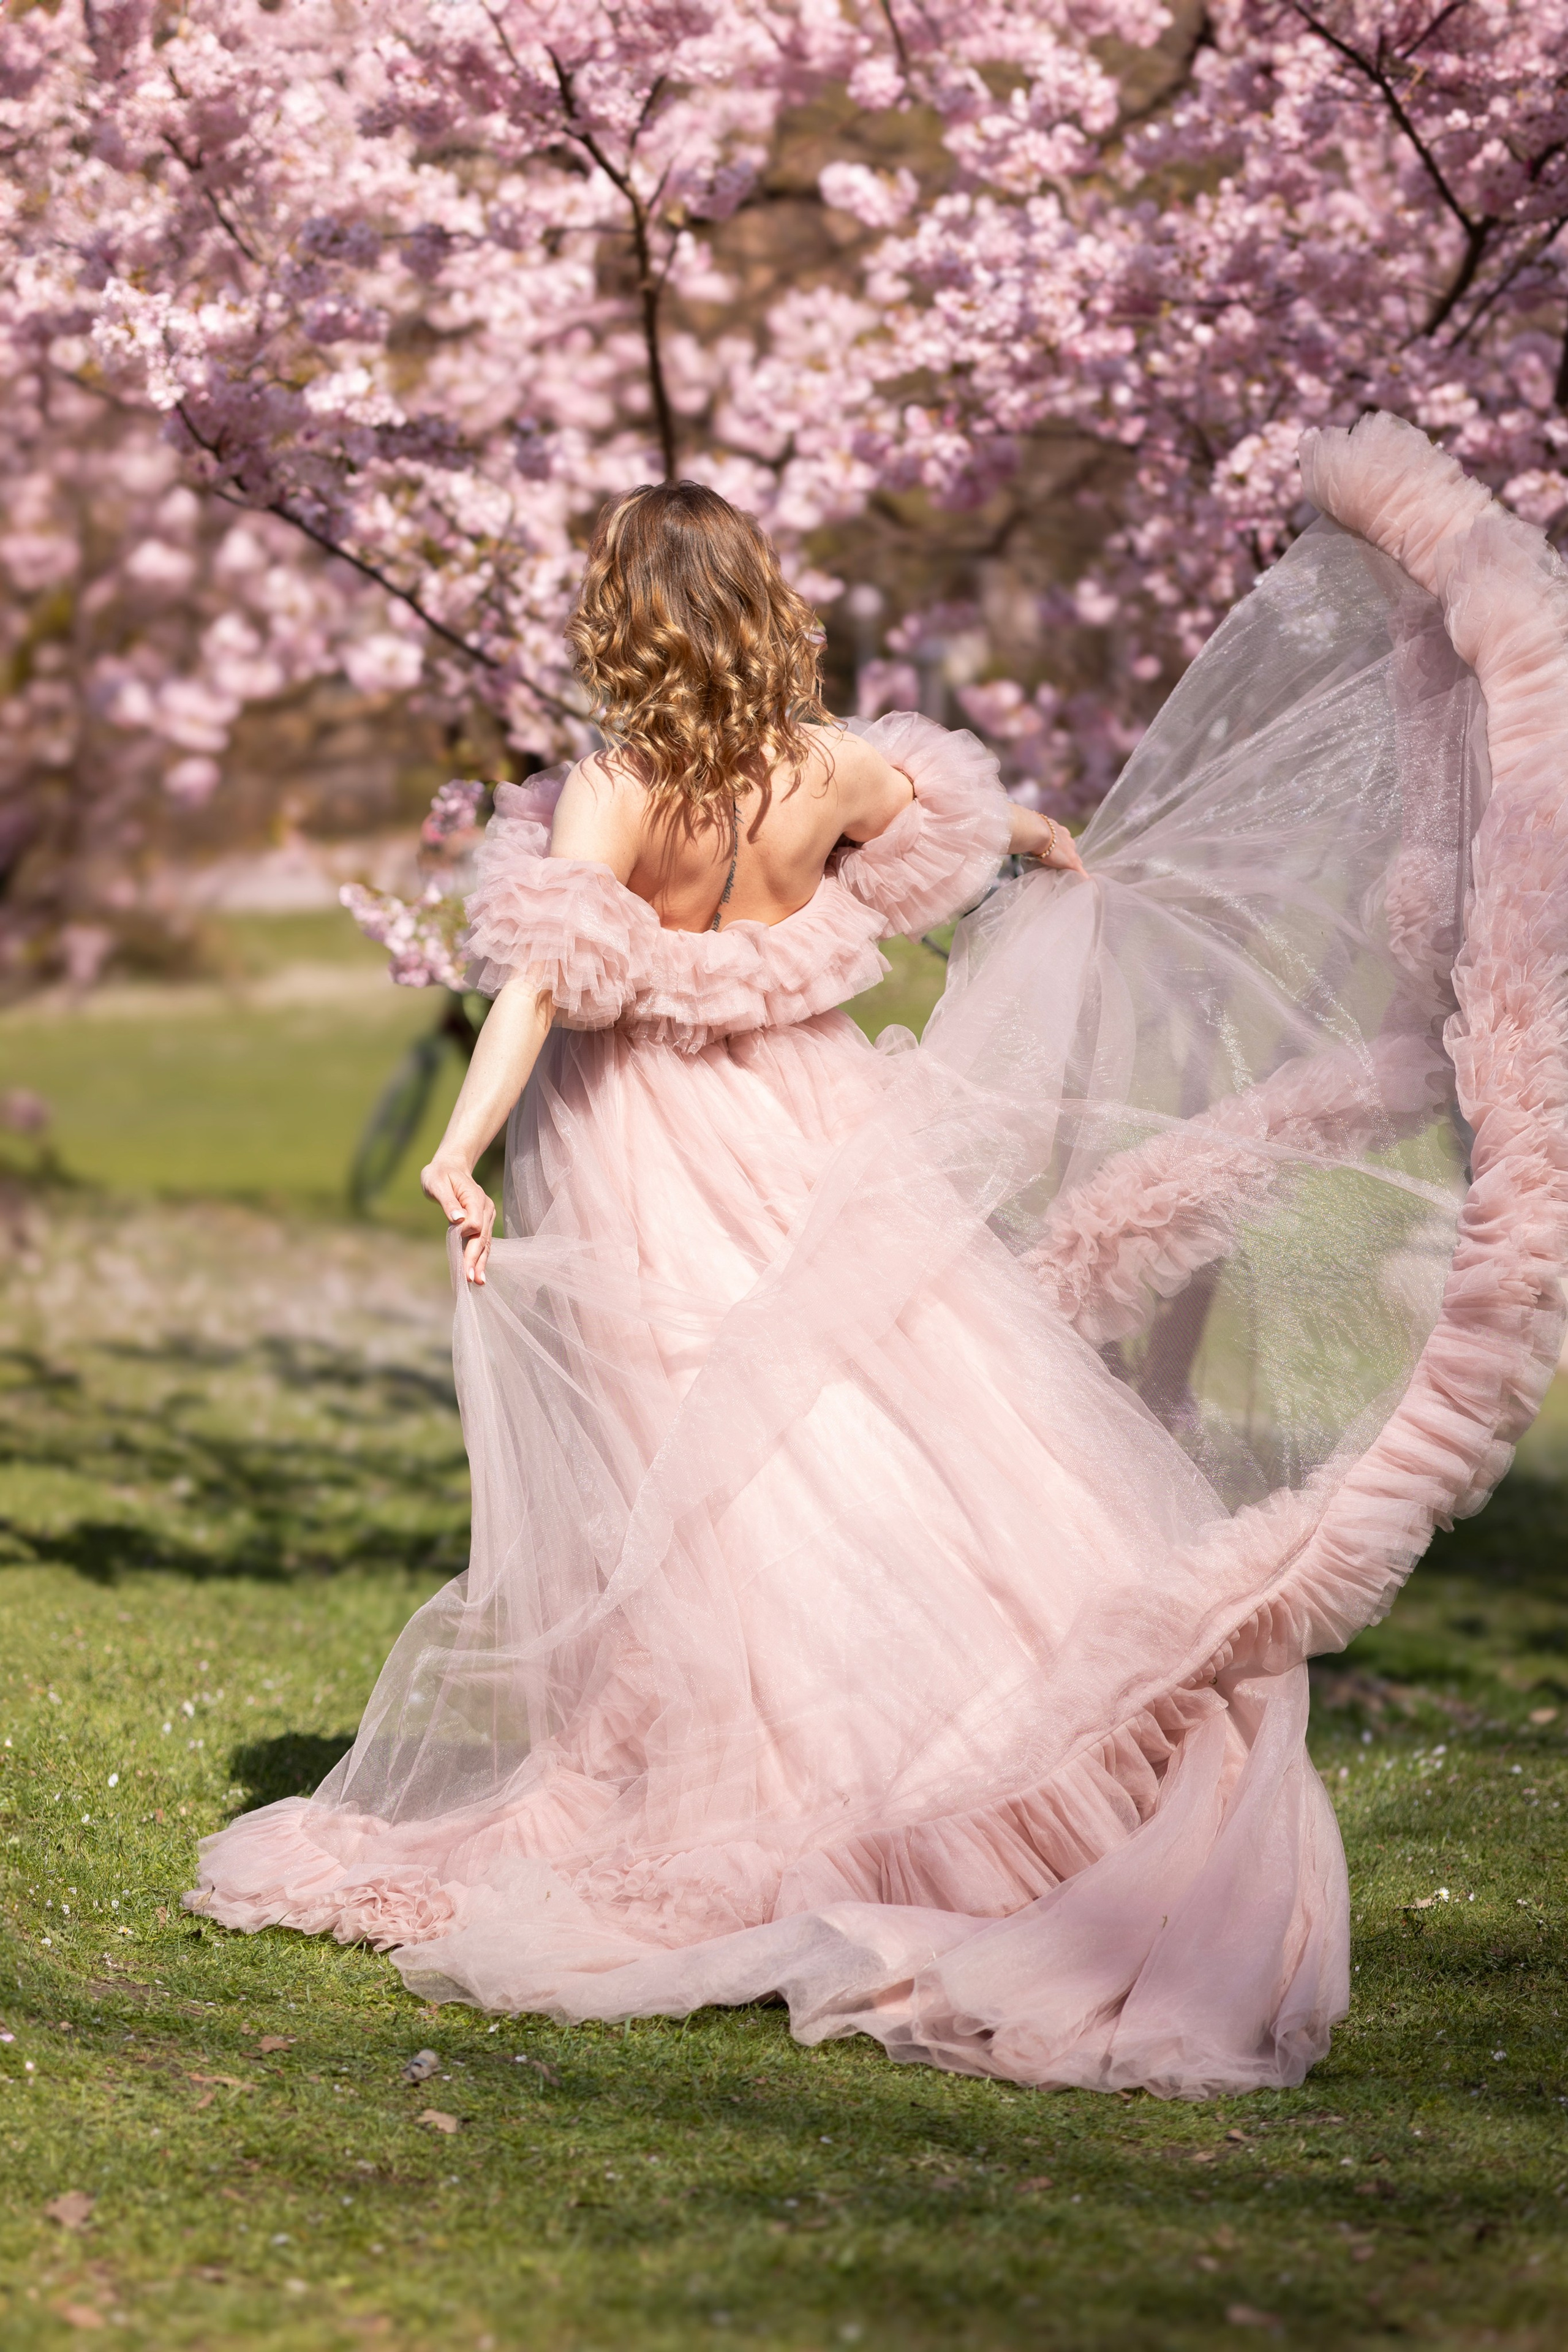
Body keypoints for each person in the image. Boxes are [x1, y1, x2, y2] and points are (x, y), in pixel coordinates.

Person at [190, 414, 1568, 2098]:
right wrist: (1058, 845)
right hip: (822, 1117)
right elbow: (965, 830)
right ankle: (936, 1738)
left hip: (648, 1148)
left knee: (689, 1467)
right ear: (762, 605)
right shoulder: (829, 768)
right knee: (876, 1416)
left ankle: (757, 1781)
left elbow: (543, 982)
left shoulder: (622, 790)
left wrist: (460, 1147)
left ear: (626, 624)